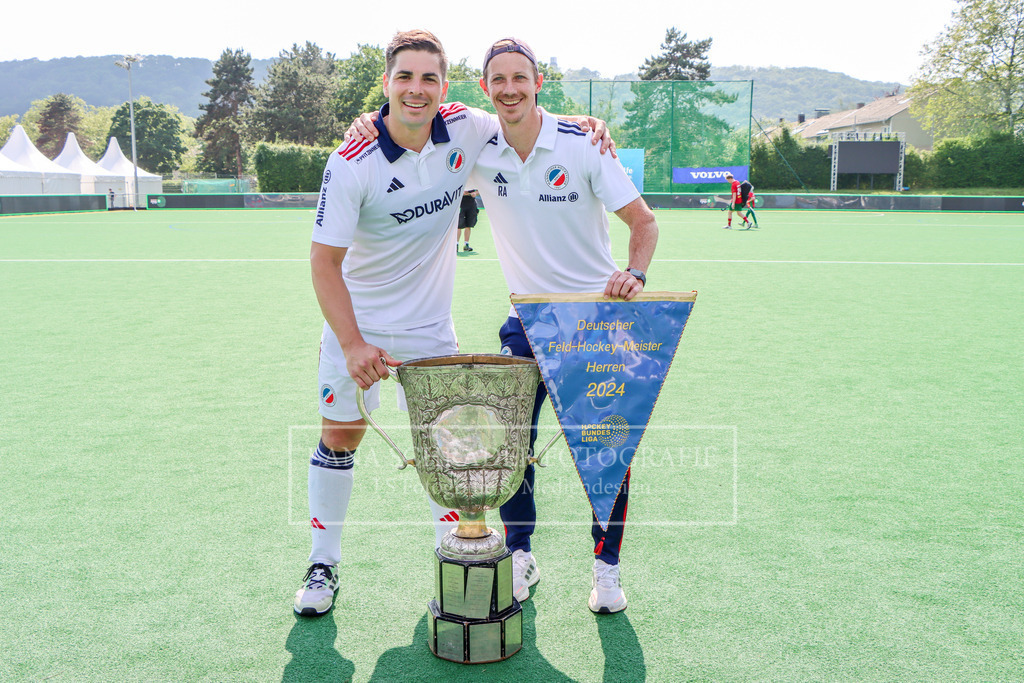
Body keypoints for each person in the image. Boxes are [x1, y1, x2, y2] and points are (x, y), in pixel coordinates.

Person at [297, 29, 614, 617]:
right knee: (341, 438)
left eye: (429, 79)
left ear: (445, 87)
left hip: (429, 332)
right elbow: (323, 263)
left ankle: (452, 562)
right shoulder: (350, 162)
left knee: (448, 450)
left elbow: (524, 112)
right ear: (387, 83)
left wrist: (588, 122)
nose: (416, 90)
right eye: (404, 78)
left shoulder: (465, 128)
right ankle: (323, 564)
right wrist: (350, 342)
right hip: (357, 325)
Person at [469, 38, 659, 614]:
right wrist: (366, 120)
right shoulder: (477, 148)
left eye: (518, 78)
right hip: (525, 323)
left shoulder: (583, 143)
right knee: (512, 446)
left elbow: (643, 223)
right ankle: (520, 551)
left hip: (596, 326)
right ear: (484, 88)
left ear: (537, 83)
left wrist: (635, 274)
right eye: (497, 80)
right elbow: (416, 125)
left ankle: (606, 567)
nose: (508, 89)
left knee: (606, 453)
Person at [456, 188, 479, 253]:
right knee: (459, 225)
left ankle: (466, 245)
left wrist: (475, 193)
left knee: (469, 225)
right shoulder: (459, 179)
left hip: (471, 203)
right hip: (460, 203)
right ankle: (456, 244)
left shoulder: (474, 180)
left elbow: (479, 190)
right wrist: (461, 192)